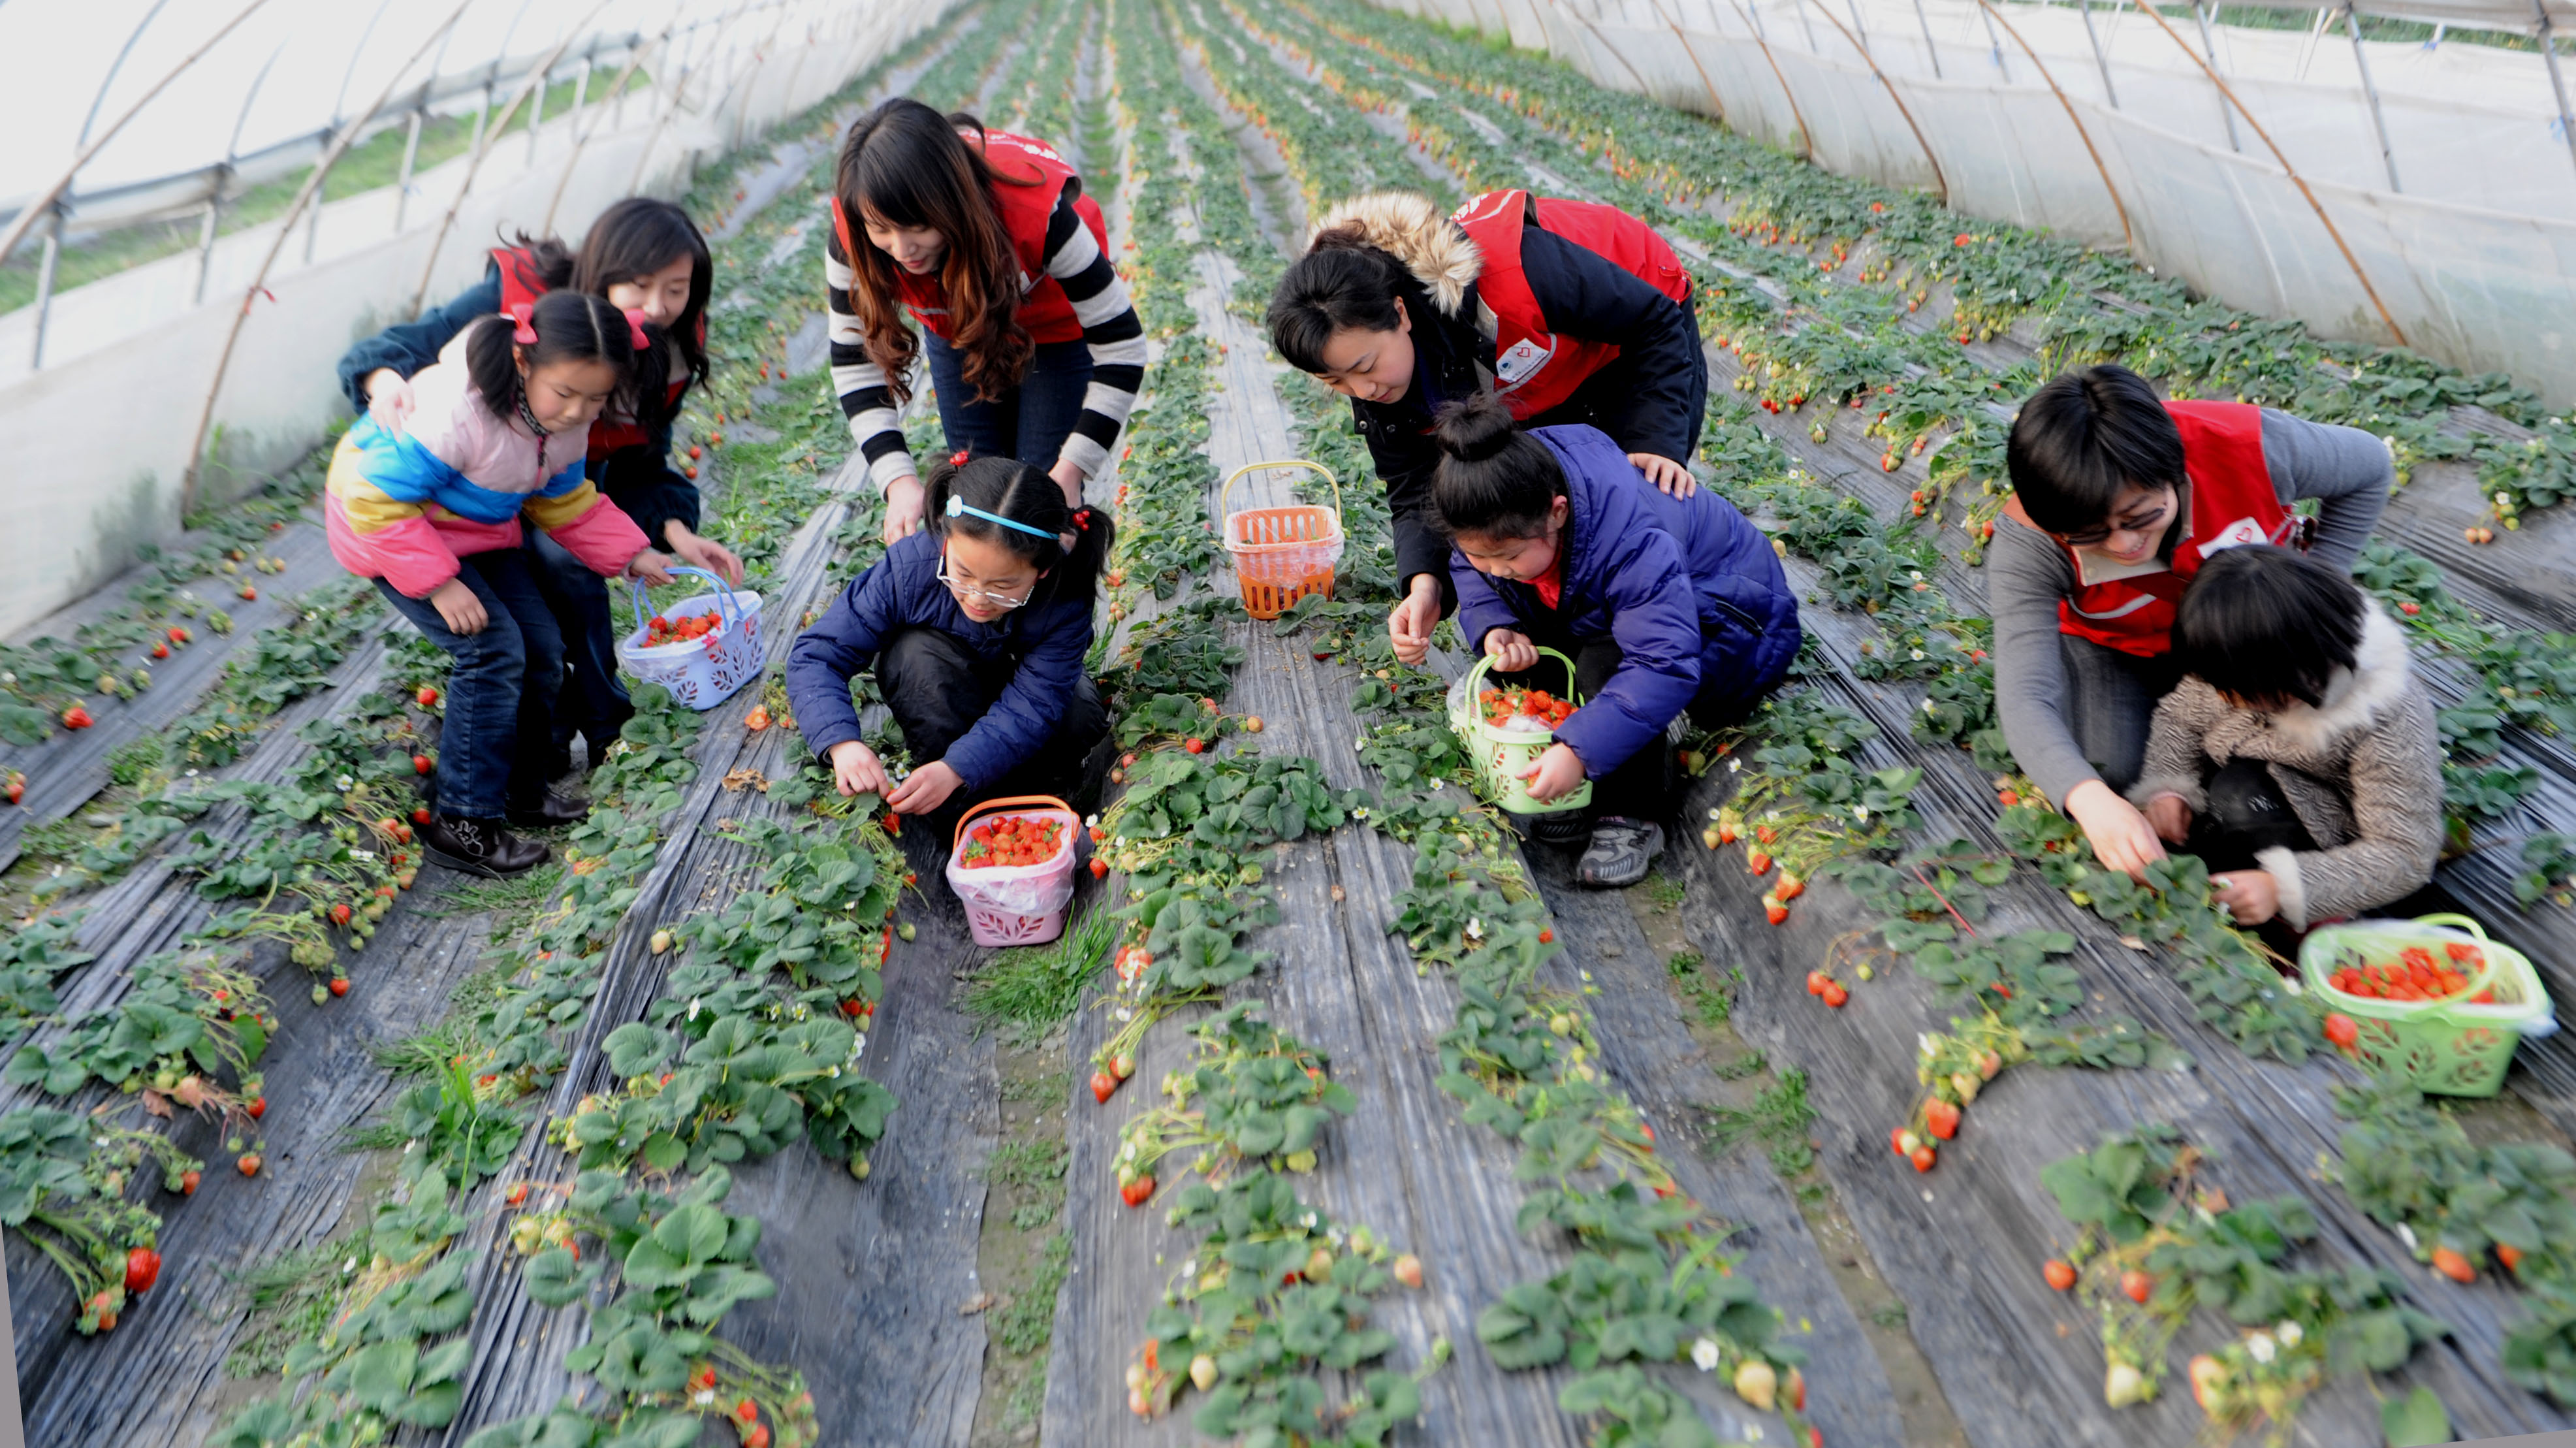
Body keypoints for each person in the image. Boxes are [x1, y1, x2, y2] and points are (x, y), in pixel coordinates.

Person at [336, 200, 742, 766]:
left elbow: (640, 467)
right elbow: (392, 350)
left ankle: (604, 723)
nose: (657, 308)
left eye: (676, 289)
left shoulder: (659, 354)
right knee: (516, 623)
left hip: (558, 484)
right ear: (602, 273)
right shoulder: (519, 304)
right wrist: (386, 385)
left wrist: (672, 534)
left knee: (565, 565)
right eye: (640, 286)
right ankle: (539, 748)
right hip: (465, 488)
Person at [1267, 189, 1706, 668]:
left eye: (1365, 365)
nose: (1362, 389)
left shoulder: (1513, 276)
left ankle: (1661, 658)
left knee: (1624, 506)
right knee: (1527, 512)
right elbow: (1415, 484)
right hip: (1534, 374)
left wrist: (1654, 442)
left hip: (1635, 330)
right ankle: (1565, 665)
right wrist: (1425, 582)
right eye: (1336, 379)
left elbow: (1653, 322)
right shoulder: (1378, 385)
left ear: (1399, 312)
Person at [1991, 363, 2393, 880]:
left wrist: (2310, 588)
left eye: (2140, 516)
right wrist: (2086, 799)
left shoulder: (2250, 448)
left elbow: (2370, 467)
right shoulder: (2029, 538)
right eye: (2090, 534)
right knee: (2114, 776)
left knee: (2293, 770)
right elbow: (2026, 691)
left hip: (2242, 639)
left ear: (2174, 469)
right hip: (2119, 650)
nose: (2124, 544)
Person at [327, 291, 675, 878]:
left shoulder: (564, 426)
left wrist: (632, 553)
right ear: (523, 364)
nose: (576, 411)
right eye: (565, 393)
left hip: (475, 531)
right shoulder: (454, 415)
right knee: (490, 649)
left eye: (595, 398)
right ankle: (464, 823)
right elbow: (373, 500)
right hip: (391, 529)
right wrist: (439, 584)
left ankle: (523, 787)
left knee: (540, 648)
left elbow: (563, 500)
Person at [1432, 393, 1799, 888]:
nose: (1495, 568)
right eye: (1483, 556)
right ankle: (1581, 785)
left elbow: (1661, 663)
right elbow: (1468, 564)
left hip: (1733, 626)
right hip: (1620, 609)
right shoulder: (1503, 495)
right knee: (1522, 659)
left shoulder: (1630, 537)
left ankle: (1630, 815)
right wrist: (1498, 624)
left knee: (1604, 670)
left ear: (1556, 513)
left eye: (1508, 557)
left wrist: (1579, 750)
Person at [827, 97, 1145, 542]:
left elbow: (1123, 347)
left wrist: (1071, 471)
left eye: (916, 225)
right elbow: (852, 360)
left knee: (1036, 510)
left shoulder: (1035, 216)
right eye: (883, 229)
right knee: (975, 499)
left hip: (1054, 331)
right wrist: (898, 480)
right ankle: (985, 610)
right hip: (959, 323)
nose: (901, 250)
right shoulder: (855, 229)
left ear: (950, 200)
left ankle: (1052, 606)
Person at [786, 451, 1113, 829]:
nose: (977, 597)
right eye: (963, 573)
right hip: (943, 688)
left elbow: (1036, 703)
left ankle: (1031, 791)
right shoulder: (910, 569)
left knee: (1079, 716)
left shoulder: (1064, 596)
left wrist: (961, 766)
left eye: (1003, 587)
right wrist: (842, 743)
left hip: (1021, 696)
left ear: (1042, 571)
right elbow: (818, 655)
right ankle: (954, 809)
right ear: (944, 540)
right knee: (913, 656)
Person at [2128, 545, 2440, 933]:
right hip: (2246, 803)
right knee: (2231, 796)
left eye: (2237, 691)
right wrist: (2168, 790)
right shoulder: (2243, 658)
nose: (2225, 699)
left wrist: (2284, 886)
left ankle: (2308, 925)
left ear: (2300, 670)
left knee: (2243, 796)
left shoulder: (2386, 712)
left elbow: (2405, 853)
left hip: (2332, 846)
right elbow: (2180, 718)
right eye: (2219, 686)